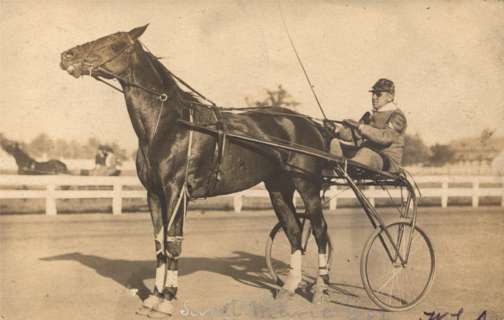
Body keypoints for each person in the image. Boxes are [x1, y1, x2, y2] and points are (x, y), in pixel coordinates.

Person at [328, 78, 407, 173]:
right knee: (334, 142)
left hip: (386, 160)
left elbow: (385, 138)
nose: (374, 97)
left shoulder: (397, 116)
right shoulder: (369, 114)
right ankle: (337, 167)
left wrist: (360, 127)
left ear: (390, 97)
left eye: (378, 94)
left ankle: (345, 168)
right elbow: (354, 136)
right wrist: (336, 129)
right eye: (373, 94)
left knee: (366, 153)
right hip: (364, 154)